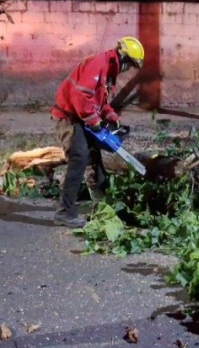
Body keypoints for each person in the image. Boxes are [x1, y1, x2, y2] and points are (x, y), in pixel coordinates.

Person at [50, 36, 145, 228]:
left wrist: (111, 117)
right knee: (79, 158)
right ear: (123, 57)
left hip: (81, 117)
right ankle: (64, 213)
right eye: (130, 65)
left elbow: (99, 102)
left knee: (94, 159)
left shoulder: (108, 71)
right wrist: (93, 121)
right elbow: (81, 95)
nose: (128, 69)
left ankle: (102, 206)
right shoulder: (99, 63)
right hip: (69, 117)